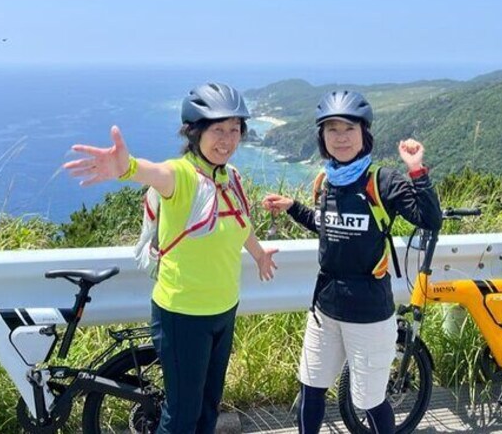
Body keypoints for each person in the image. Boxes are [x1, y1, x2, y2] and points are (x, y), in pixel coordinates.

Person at [64, 82, 278, 434]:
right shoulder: (183, 176)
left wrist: (258, 253)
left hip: (223, 310)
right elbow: (155, 173)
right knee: (181, 416)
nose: (228, 139)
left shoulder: (230, 178)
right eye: (217, 129)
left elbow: (241, 223)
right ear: (194, 133)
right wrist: (126, 167)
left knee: (209, 408)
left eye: (235, 130)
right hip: (183, 315)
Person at [262, 90, 441, 434]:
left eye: (349, 129)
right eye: (332, 130)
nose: (340, 137)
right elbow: (325, 225)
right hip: (325, 306)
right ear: (322, 138)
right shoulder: (327, 181)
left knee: (369, 401)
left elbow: (430, 219)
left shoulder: (382, 181)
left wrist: (417, 170)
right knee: (310, 388)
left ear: (364, 134)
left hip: (369, 312)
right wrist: (292, 207)